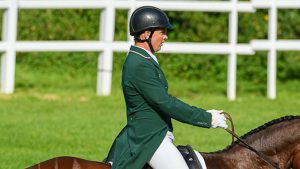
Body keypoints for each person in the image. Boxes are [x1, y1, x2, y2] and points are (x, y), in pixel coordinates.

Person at [104, 6, 228, 169]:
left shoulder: (143, 59)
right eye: (161, 32)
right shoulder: (139, 64)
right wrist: (206, 118)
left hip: (155, 133)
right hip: (149, 138)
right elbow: (165, 103)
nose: (165, 36)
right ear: (146, 34)